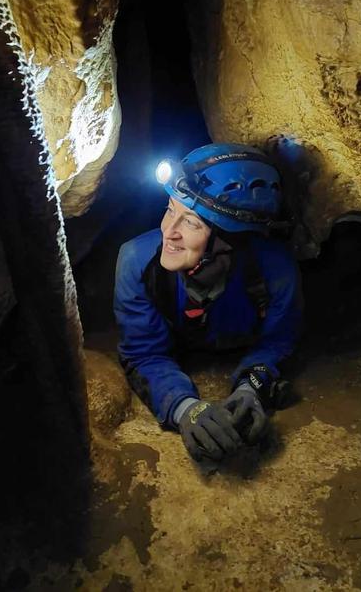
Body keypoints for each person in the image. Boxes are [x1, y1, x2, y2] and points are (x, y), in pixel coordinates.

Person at [114, 143, 302, 463]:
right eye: (170, 209)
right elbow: (143, 352)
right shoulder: (137, 262)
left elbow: (277, 342)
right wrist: (184, 407)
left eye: (191, 222)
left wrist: (251, 386)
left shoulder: (275, 272)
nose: (168, 232)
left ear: (230, 240)